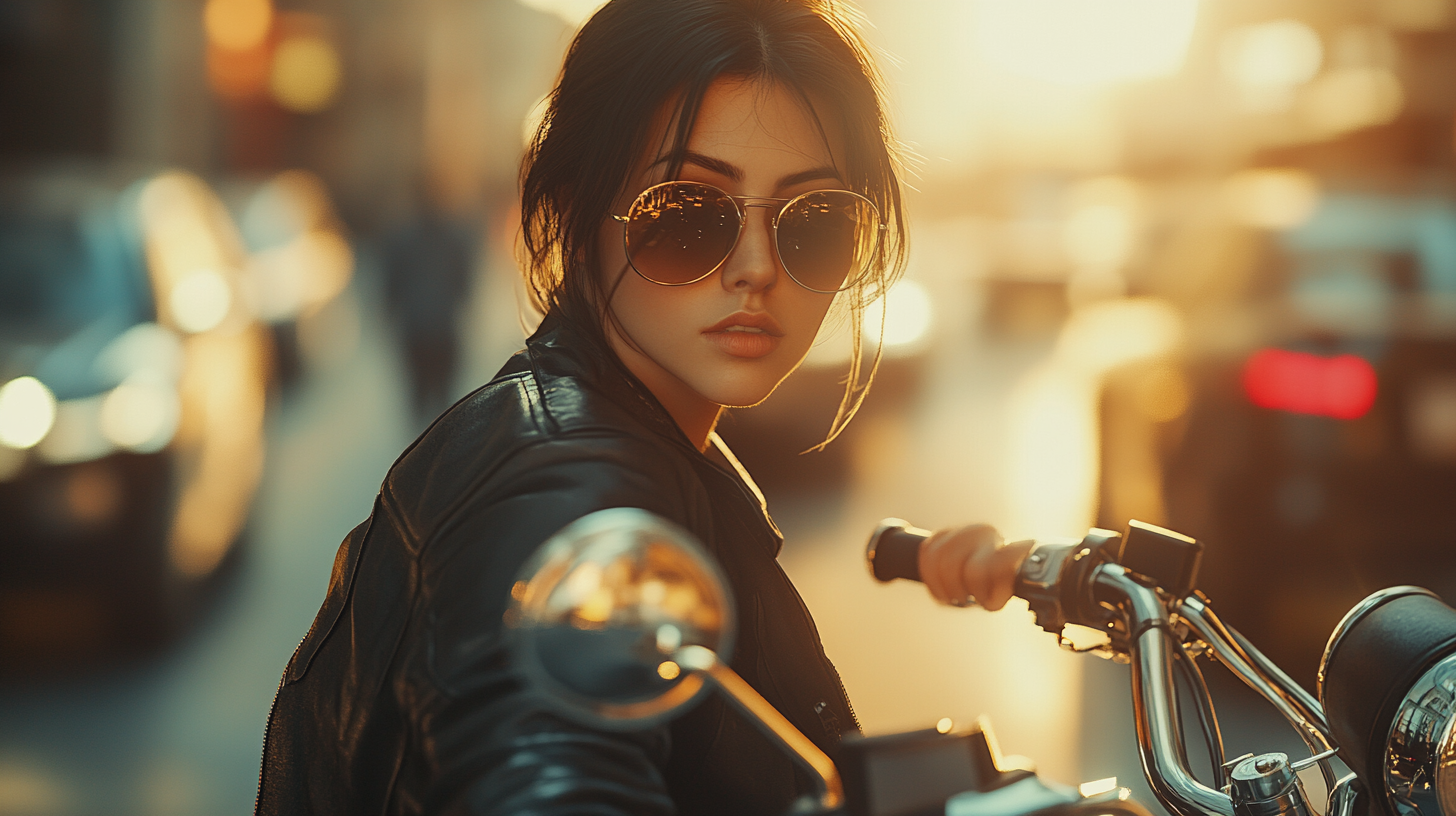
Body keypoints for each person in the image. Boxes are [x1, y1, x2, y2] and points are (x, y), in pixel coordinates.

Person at [254, 1, 1032, 813]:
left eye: (817, 221)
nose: (757, 268)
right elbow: (543, 769)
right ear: (579, 214)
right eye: (688, 215)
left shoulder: (648, 449)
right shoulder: (564, 504)